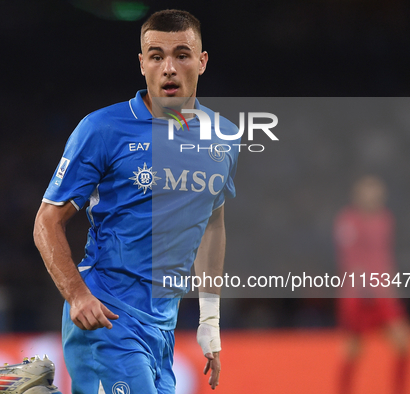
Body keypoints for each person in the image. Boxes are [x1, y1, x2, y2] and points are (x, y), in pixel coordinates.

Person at [34, 9, 238, 394]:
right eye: (156, 56)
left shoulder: (223, 137)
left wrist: (209, 321)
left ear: (202, 61)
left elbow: (212, 223)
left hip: (162, 327)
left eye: (181, 54)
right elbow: (46, 220)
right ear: (142, 63)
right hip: (107, 315)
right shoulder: (101, 129)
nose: (169, 68)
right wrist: (77, 295)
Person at [334, 175, 410, 394]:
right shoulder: (348, 221)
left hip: (382, 293)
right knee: (353, 349)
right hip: (357, 293)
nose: (373, 197)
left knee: (404, 342)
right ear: (357, 196)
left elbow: (384, 258)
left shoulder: (386, 220)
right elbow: (349, 259)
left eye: (377, 193)